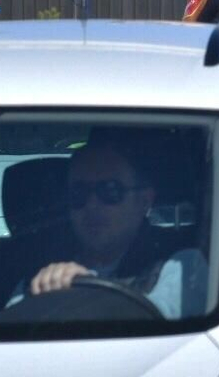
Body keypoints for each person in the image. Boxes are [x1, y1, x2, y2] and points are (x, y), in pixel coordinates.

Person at [16, 137, 206, 319]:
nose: (91, 205)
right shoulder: (39, 265)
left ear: (144, 201)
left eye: (110, 191)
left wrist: (82, 290)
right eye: (78, 193)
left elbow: (157, 326)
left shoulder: (182, 263)